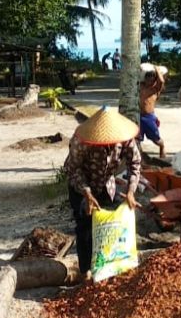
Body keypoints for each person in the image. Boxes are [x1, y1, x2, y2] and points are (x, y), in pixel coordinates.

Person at [62, 107, 141, 275]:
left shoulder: (125, 139)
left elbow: (134, 164)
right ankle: (86, 272)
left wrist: (130, 191)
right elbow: (72, 168)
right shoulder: (81, 141)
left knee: (108, 225)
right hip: (81, 186)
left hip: (106, 185)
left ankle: (107, 267)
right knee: (84, 226)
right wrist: (87, 193)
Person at [138, 67, 166, 158]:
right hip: (138, 116)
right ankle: (140, 157)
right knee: (137, 139)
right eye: (148, 77)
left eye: (152, 78)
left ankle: (162, 147)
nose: (150, 80)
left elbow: (161, 81)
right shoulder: (141, 86)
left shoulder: (155, 89)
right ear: (144, 79)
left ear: (155, 80)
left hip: (149, 117)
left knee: (156, 139)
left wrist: (156, 69)